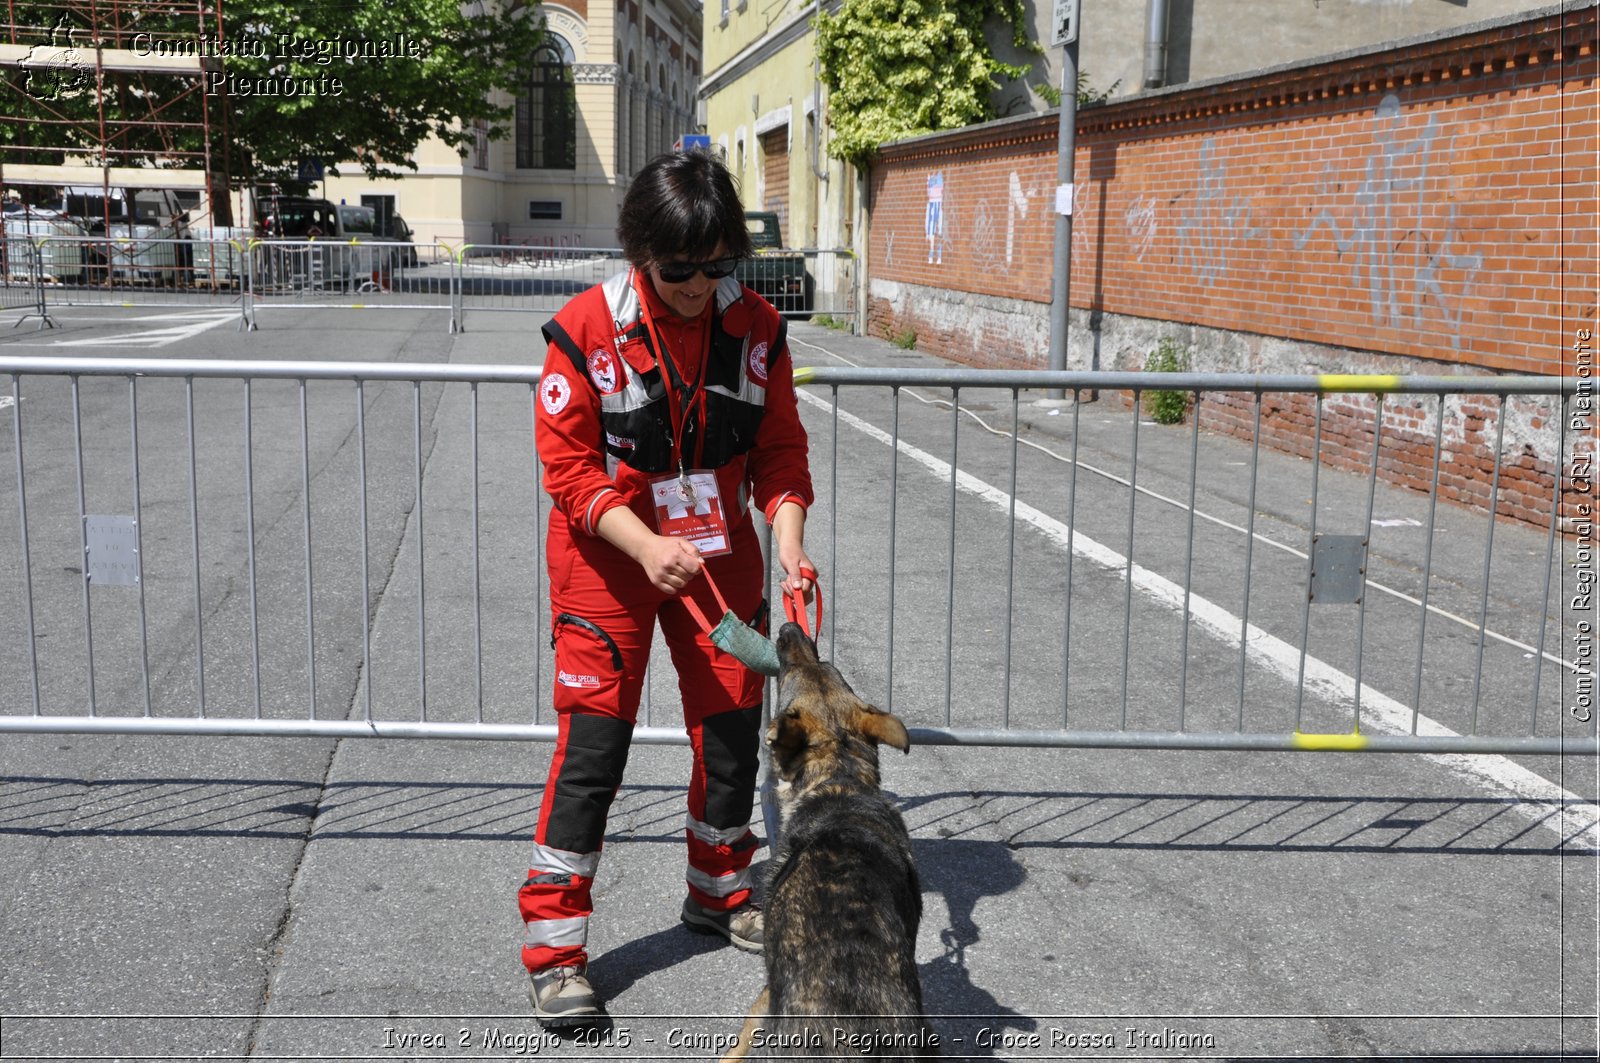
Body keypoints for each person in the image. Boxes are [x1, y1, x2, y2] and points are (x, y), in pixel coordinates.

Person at [519, 149, 815, 1027]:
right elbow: (567, 470)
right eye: (678, 269)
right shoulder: (586, 327)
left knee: (729, 737)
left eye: (716, 264)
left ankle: (720, 888)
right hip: (609, 560)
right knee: (593, 754)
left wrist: (791, 546)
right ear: (639, 251)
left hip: (721, 561)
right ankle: (555, 948)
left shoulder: (759, 327)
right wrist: (645, 542)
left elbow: (780, 450)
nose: (697, 286)